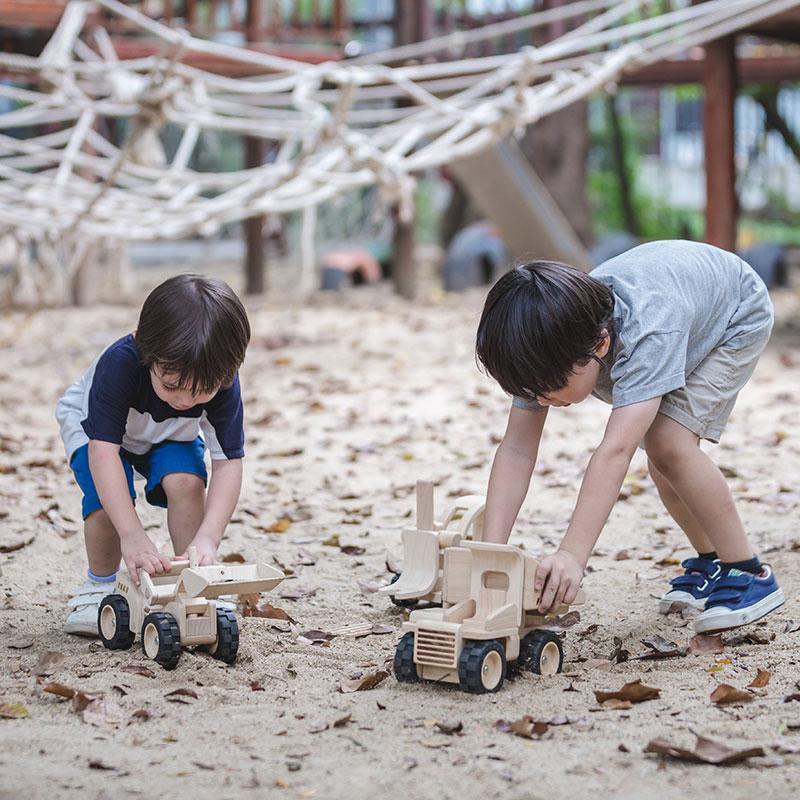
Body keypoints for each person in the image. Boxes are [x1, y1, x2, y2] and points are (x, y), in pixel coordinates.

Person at [475, 240, 783, 634]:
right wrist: (490, 554)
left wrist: (571, 555)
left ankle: (748, 573)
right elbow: (517, 450)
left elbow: (615, 451)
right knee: (662, 452)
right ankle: (712, 560)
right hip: (682, 301)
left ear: (599, 345)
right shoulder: (544, 343)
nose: (539, 401)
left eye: (548, 389)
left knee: (668, 444)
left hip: (734, 312)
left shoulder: (646, 333)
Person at [56, 274, 250, 636]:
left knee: (188, 482)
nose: (186, 400)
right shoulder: (120, 364)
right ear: (148, 353)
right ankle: (97, 586)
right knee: (105, 502)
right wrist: (133, 534)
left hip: (168, 432)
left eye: (202, 391)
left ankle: (194, 578)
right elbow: (103, 453)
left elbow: (227, 462)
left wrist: (209, 538)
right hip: (98, 432)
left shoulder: (220, 379)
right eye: (172, 385)